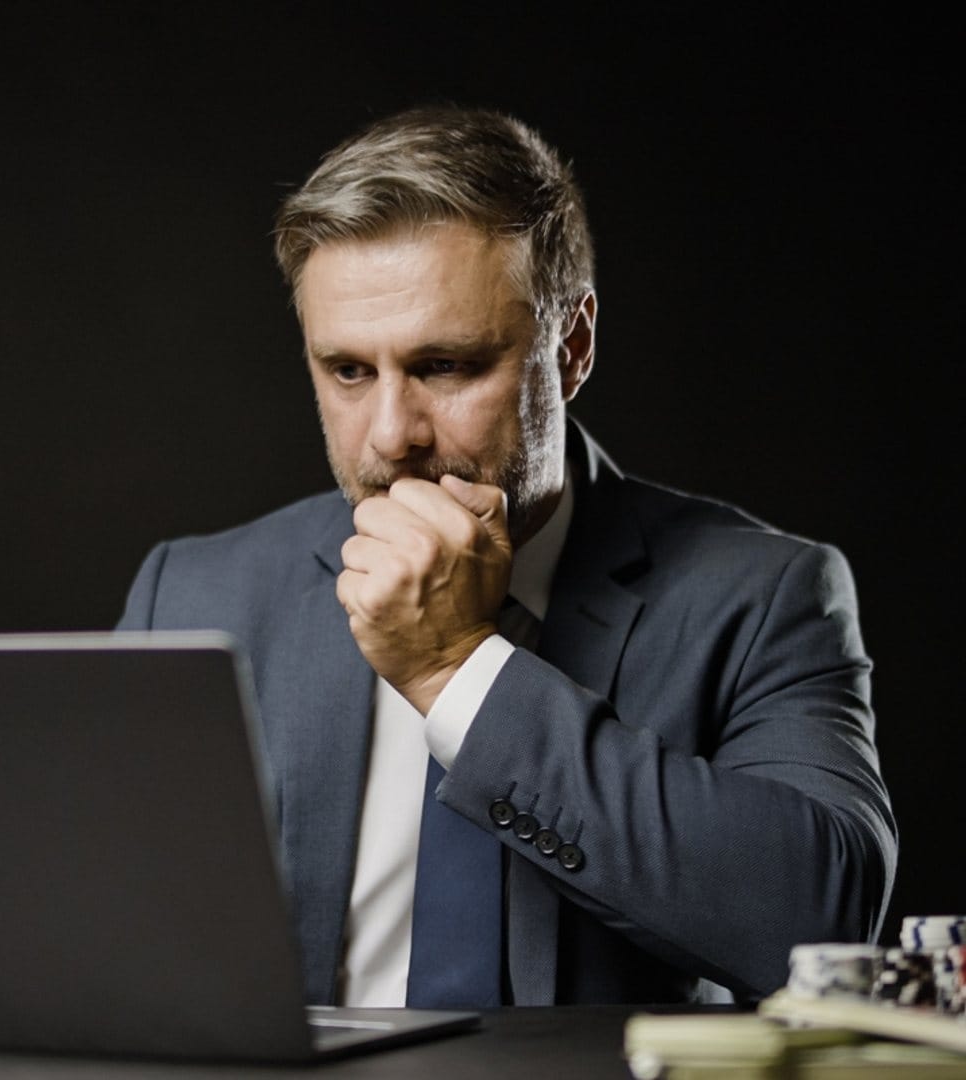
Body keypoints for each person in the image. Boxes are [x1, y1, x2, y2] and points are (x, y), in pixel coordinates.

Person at [117, 105, 897, 1008]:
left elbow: (818, 922)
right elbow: (100, 935)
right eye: (348, 371)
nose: (392, 435)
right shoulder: (197, 591)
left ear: (571, 348)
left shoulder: (761, 594)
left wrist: (456, 671)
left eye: (445, 367)